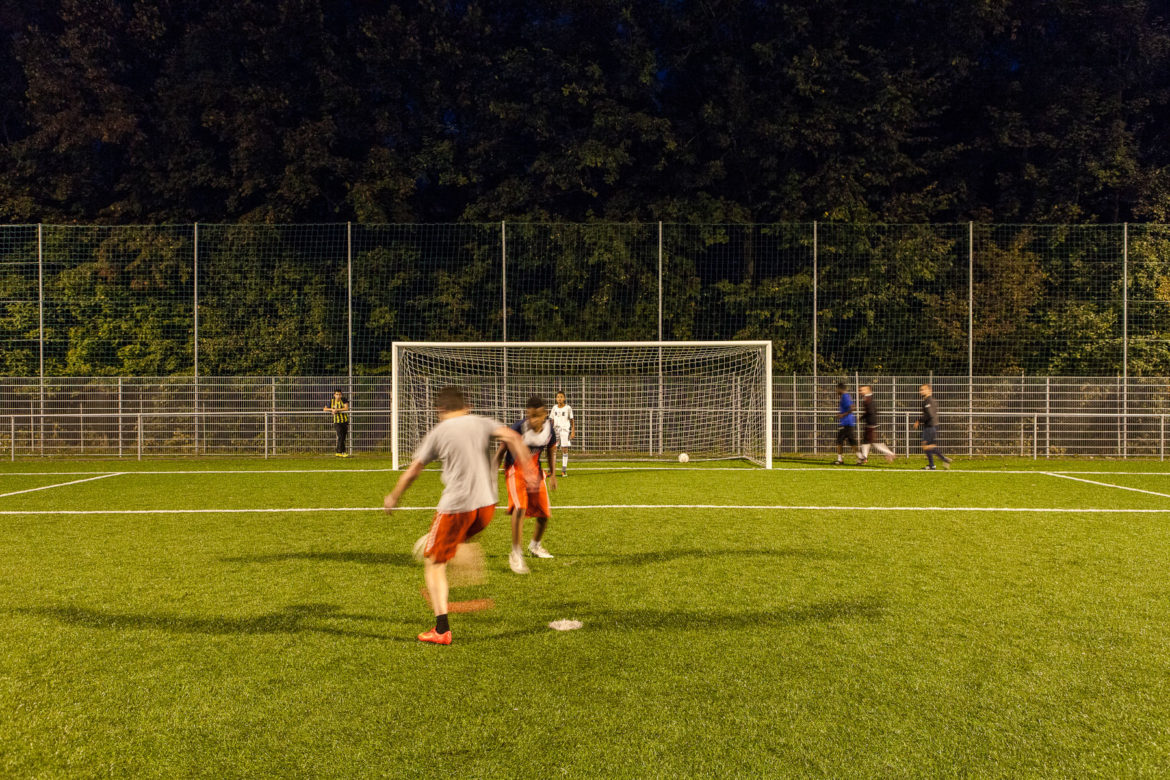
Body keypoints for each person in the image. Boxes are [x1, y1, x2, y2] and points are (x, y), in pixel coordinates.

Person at [384, 386, 537, 645]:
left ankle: (441, 629)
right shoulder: (480, 421)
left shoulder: (438, 432)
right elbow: (513, 437)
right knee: (454, 543)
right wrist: (528, 468)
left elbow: (413, 472)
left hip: (457, 507)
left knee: (433, 564)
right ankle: (465, 561)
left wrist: (394, 496)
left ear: (440, 409)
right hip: (486, 506)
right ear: (465, 406)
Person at [494, 395, 558, 573]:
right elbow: (501, 450)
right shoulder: (518, 428)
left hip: (535, 471)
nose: (533, 420)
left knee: (544, 514)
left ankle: (535, 546)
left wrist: (552, 473)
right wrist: (493, 471)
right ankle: (516, 553)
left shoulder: (549, 430)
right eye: (530, 416)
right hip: (515, 470)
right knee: (520, 507)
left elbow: (551, 450)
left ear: (545, 414)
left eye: (537, 416)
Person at [913, 383, 952, 470]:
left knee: (926, 445)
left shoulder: (928, 401)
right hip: (933, 425)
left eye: (923, 389)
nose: (921, 391)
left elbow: (929, 414)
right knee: (930, 445)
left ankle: (942, 460)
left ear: (929, 390)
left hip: (930, 426)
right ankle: (933, 464)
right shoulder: (932, 400)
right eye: (920, 390)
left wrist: (919, 421)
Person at [858, 385, 896, 465]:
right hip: (870, 424)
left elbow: (870, 411)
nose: (860, 391)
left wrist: (863, 418)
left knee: (875, 443)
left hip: (871, 425)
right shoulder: (868, 398)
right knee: (865, 442)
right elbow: (874, 410)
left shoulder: (868, 399)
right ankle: (864, 458)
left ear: (868, 390)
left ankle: (890, 453)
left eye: (862, 390)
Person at [549, 390, 575, 476]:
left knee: (564, 449)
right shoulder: (554, 408)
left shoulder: (568, 408)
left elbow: (572, 420)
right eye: (558, 397)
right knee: (553, 449)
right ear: (556, 399)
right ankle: (552, 470)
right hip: (555, 431)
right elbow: (551, 420)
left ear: (564, 398)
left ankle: (564, 470)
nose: (559, 398)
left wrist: (573, 431)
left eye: (561, 397)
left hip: (564, 431)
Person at [833, 382, 859, 465]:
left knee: (840, 441)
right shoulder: (845, 396)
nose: (836, 391)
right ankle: (860, 457)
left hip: (846, 423)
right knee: (850, 441)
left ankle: (840, 459)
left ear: (840, 389)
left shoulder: (845, 397)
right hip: (847, 422)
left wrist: (842, 415)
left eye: (837, 389)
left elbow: (853, 408)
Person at [323, 389, 349, 457]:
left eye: (339, 394)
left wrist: (337, 410)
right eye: (337, 394)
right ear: (334, 395)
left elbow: (346, 408)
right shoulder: (331, 401)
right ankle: (339, 452)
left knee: (343, 437)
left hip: (345, 421)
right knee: (340, 436)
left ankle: (342, 452)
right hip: (337, 422)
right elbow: (325, 409)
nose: (338, 396)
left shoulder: (344, 400)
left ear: (341, 395)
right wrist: (331, 409)